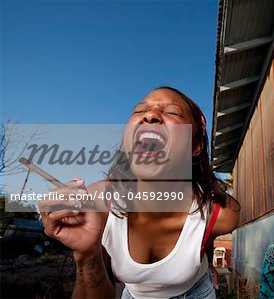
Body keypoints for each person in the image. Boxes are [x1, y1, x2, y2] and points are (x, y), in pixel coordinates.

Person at [39, 87, 240, 298]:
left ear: (195, 146)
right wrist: (87, 255)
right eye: (139, 111)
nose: (150, 115)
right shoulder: (98, 203)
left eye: (172, 112)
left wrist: (206, 264)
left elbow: (206, 239)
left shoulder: (222, 213)